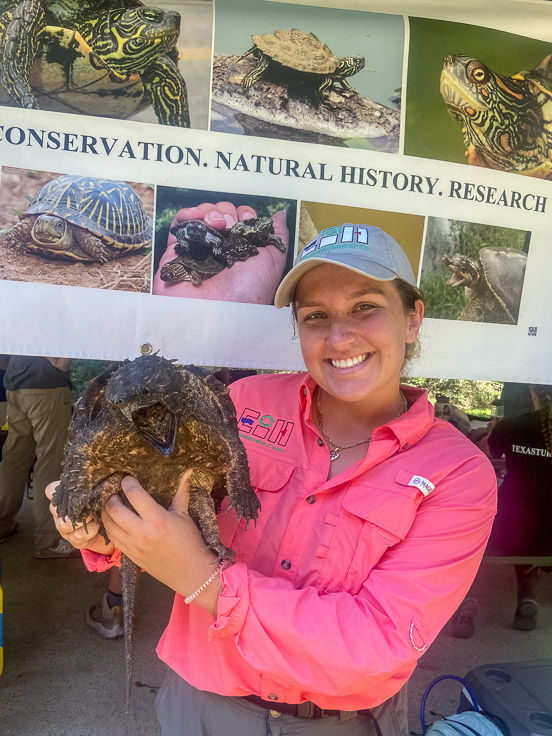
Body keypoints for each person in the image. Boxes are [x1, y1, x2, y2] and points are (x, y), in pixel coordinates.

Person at [47, 222, 497, 736]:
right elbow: (163, 512)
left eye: (365, 307)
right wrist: (102, 531)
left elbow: (377, 641)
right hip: (198, 706)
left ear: (412, 318)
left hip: (340, 724)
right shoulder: (243, 405)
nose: (339, 336)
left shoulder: (456, 473)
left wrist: (202, 577)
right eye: (315, 317)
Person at [451, 384, 552, 637]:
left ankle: (466, 598)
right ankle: (527, 597)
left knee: (468, 531)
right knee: (536, 524)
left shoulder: (512, 427)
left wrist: (494, 433)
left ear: (532, 394)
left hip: (513, 532)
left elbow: (483, 459)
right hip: (548, 539)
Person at [0, 355, 78, 558]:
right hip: (47, 386)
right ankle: (49, 540)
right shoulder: (55, 321)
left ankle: (2, 523)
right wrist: (63, 362)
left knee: (14, 458)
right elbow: (60, 357)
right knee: (50, 460)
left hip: (15, 385)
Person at [152, 202, 289, 305]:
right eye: (167, 272)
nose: (165, 276)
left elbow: (216, 241)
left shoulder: (210, 237)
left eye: (168, 272)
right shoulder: (183, 236)